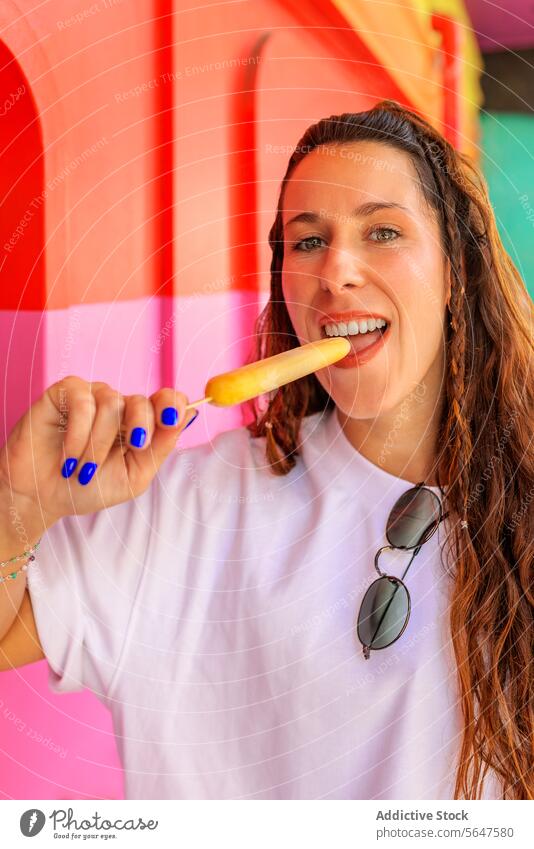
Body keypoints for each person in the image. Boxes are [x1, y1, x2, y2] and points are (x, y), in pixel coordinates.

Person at [0, 101, 532, 800]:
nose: (336, 269)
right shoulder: (188, 510)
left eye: (383, 231)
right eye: (307, 241)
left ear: (455, 272)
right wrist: (19, 509)